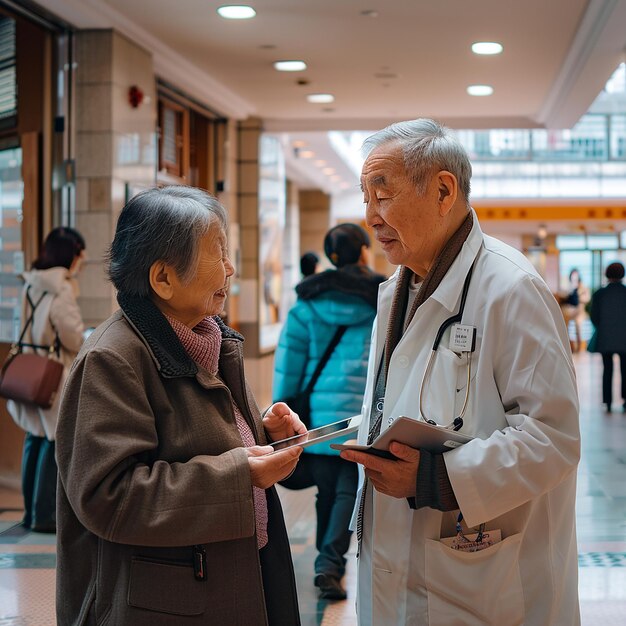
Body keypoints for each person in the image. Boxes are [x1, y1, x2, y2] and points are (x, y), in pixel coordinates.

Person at [338, 119, 580, 625]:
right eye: (365, 199)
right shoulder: (397, 291)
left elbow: (552, 437)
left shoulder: (511, 289)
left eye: (381, 196)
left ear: (443, 190)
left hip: (483, 583)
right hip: (400, 567)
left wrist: (438, 477)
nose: (370, 217)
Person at [55, 186, 304, 625]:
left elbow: (197, 441)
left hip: (225, 581)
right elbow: (107, 496)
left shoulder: (208, 340)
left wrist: (263, 435)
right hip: (163, 604)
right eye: (218, 252)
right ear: (163, 278)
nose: (230, 268)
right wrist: (239, 474)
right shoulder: (111, 359)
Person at [273, 223, 385, 600]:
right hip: (358, 416)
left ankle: (328, 561)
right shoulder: (380, 299)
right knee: (346, 491)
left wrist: (282, 418)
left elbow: (289, 365)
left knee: (328, 491)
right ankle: (329, 562)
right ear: (364, 252)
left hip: (315, 420)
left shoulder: (306, 304)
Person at [7, 227, 86, 533]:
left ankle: (29, 512)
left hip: (27, 367)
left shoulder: (28, 283)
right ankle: (44, 516)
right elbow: (71, 336)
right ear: (71, 255)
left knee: (34, 437)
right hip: (51, 375)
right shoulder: (61, 289)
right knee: (53, 439)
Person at [589, 261, 626, 412]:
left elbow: (594, 317)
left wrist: (604, 327)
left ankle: (608, 401)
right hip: (624, 338)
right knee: (625, 369)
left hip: (605, 338)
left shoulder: (599, 294)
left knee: (607, 369)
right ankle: (625, 399)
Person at [560, 268, 590, 352]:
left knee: (578, 325)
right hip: (569, 310)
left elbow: (586, 298)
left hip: (579, 311)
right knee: (565, 321)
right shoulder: (569, 287)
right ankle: (570, 346)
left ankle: (579, 347)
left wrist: (580, 297)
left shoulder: (583, 287)